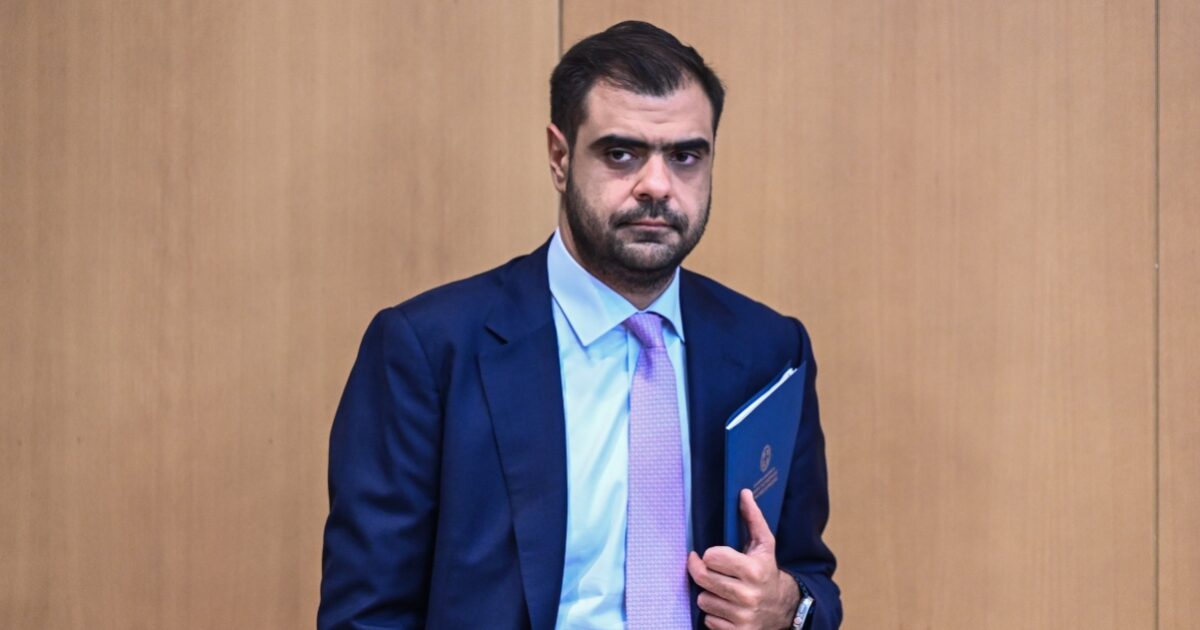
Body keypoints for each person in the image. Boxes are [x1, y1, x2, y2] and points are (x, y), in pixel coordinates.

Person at [318, 20, 840, 630]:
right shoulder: (429, 350)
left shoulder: (769, 350)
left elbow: (808, 578)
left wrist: (787, 606)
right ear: (560, 158)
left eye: (685, 156)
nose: (656, 186)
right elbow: (366, 614)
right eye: (621, 153)